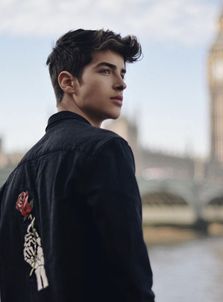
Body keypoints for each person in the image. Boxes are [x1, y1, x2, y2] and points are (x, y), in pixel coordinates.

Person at [0, 29, 155, 302]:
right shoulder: (106, 150)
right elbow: (131, 275)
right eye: (106, 71)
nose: (121, 84)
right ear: (68, 82)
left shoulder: (14, 178)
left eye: (122, 73)